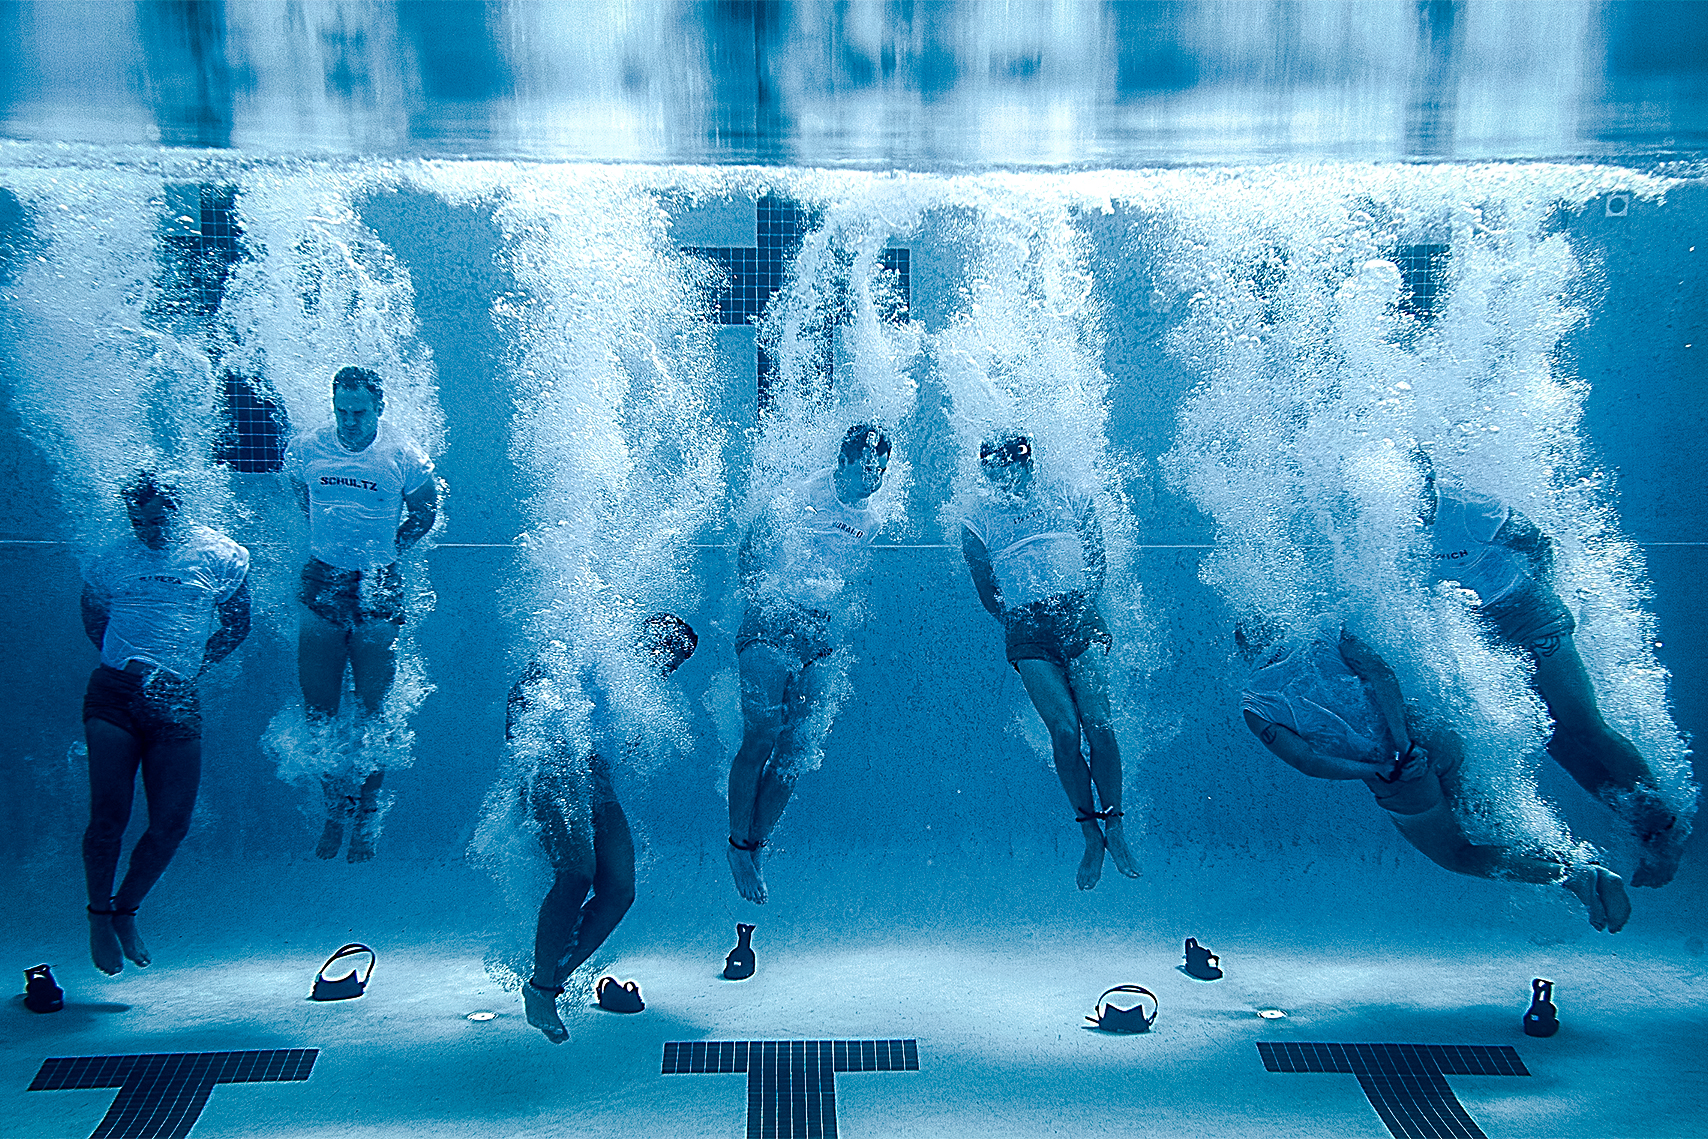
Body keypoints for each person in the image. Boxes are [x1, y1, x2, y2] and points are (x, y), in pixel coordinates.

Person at [1240, 619, 1631, 932]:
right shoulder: (1328, 631)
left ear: (1245, 653)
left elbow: (1307, 761)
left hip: (1397, 775)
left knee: (1458, 855)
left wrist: (1383, 766)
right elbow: (1381, 674)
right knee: (1494, 819)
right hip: (1430, 735)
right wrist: (1407, 742)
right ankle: (1586, 867)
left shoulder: (1257, 702)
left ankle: (1576, 876)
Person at [1415, 451, 1688, 887]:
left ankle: (1667, 833)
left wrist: (1544, 598)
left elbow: (1538, 543)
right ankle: (1641, 825)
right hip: (1484, 629)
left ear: (1429, 481)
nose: (1414, 503)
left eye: (1419, 491)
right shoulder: (1392, 522)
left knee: (1584, 726)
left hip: (1528, 614)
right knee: (1556, 740)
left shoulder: (1467, 508)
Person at [80, 472, 251, 974]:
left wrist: (187, 669)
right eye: (138, 523)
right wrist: (129, 664)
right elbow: (93, 619)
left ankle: (126, 910)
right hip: (114, 694)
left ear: (178, 511)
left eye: (157, 521)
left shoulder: (220, 555)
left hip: (175, 697)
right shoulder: (111, 558)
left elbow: (237, 626)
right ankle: (98, 917)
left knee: (172, 824)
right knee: (108, 817)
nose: (148, 533)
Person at [960, 432, 1140, 890]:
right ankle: (1090, 834)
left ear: (1029, 465)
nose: (1009, 481)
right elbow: (987, 591)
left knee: (1098, 722)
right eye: (997, 474)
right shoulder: (976, 519)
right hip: (1026, 626)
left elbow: (1096, 556)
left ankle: (1115, 824)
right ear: (987, 473)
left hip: (1077, 612)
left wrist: (1083, 604)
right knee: (1064, 731)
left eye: (1015, 470)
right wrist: (1019, 621)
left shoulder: (1067, 493)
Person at [510, 614, 698, 1044]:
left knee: (619, 890)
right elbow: (524, 689)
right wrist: (528, 759)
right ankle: (542, 988)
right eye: (666, 656)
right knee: (577, 873)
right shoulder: (589, 655)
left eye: (674, 665)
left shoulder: (636, 691)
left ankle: (548, 981)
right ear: (647, 639)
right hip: (552, 769)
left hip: (596, 782)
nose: (666, 670)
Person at [726, 424, 892, 904]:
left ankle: (754, 844)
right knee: (760, 737)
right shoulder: (799, 497)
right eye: (867, 467)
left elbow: (843, 574)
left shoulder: (873, 521)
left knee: (796, 751)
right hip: (771, 618)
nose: (874, 478)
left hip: (817, 631)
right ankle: (737, 845)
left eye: (881, 470)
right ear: (843, 461)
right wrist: (761, 601)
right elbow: (750, 549)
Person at [283, 366, 439, 862]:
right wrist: (332, 540)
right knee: (319, 709)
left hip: (378, 582)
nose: (349, 422)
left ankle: (368, 808)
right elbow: (302, 495)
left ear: (379, 409)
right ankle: (336, 807)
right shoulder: (308, 448)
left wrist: (391, 550)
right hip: (323, 576)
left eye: (359, 413)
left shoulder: (402, 455)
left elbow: (426, 512)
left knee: (375, 707)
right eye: (341, 411)